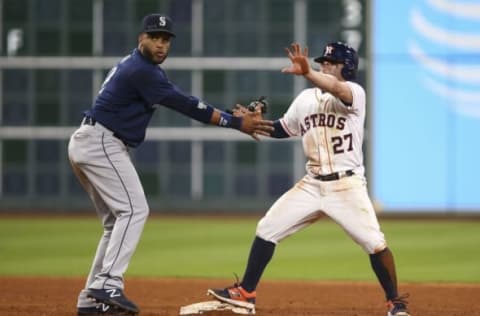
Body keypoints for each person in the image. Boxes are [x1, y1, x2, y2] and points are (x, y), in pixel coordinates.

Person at [69, 13, 273, 316]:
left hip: (90, 141)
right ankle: (107, 283)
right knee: (135, 210)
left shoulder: (143, 69)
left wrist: (232, 115)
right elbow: (187, 104)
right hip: (101, 142)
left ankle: (91, 299)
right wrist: (235, 122)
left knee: (116, 222)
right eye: (155, 37)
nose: (161, 44)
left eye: (166, 39)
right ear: (142, 39)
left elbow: (187, 103)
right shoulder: (143, 71)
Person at [207, 42, 410, 316]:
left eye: (331, 62)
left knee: (374, 243)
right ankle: (246, 293)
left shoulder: (355, 93)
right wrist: (254, 123)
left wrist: (309, 74)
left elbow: (337, 89)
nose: (324, 65)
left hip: (346, 185)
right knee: (267, 228)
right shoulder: (305, 100)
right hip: (312, 184)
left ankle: (395, 303)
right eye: (322, 62)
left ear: (347, 67)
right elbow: (283, 128)